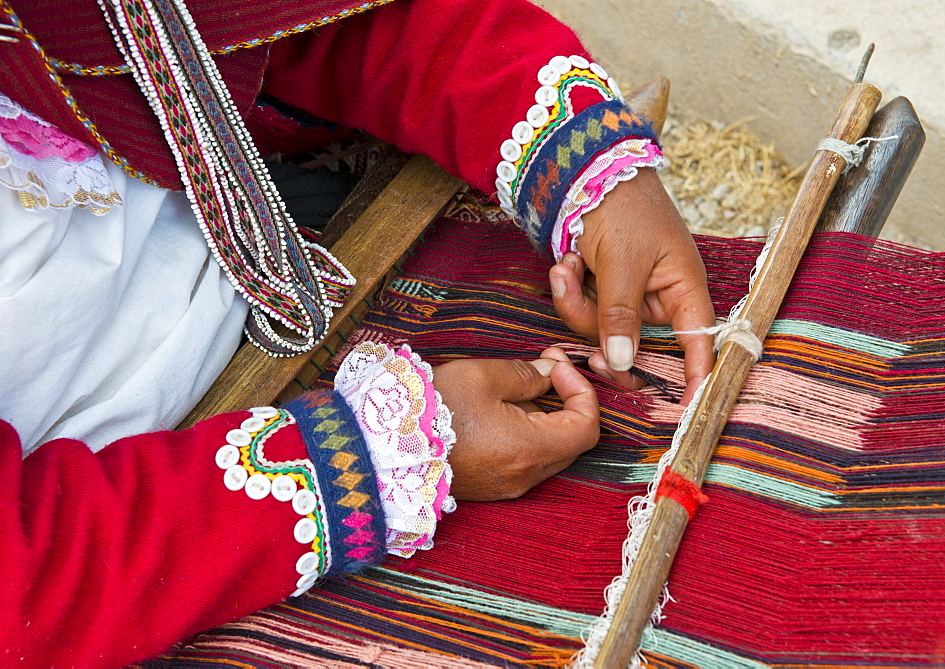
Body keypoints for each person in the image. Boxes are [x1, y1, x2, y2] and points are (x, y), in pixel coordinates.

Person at [0, 0, 715, 664]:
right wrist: (371, 459)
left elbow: (298, 24)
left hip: (252, 225)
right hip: (147, 521)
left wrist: (582, 162)